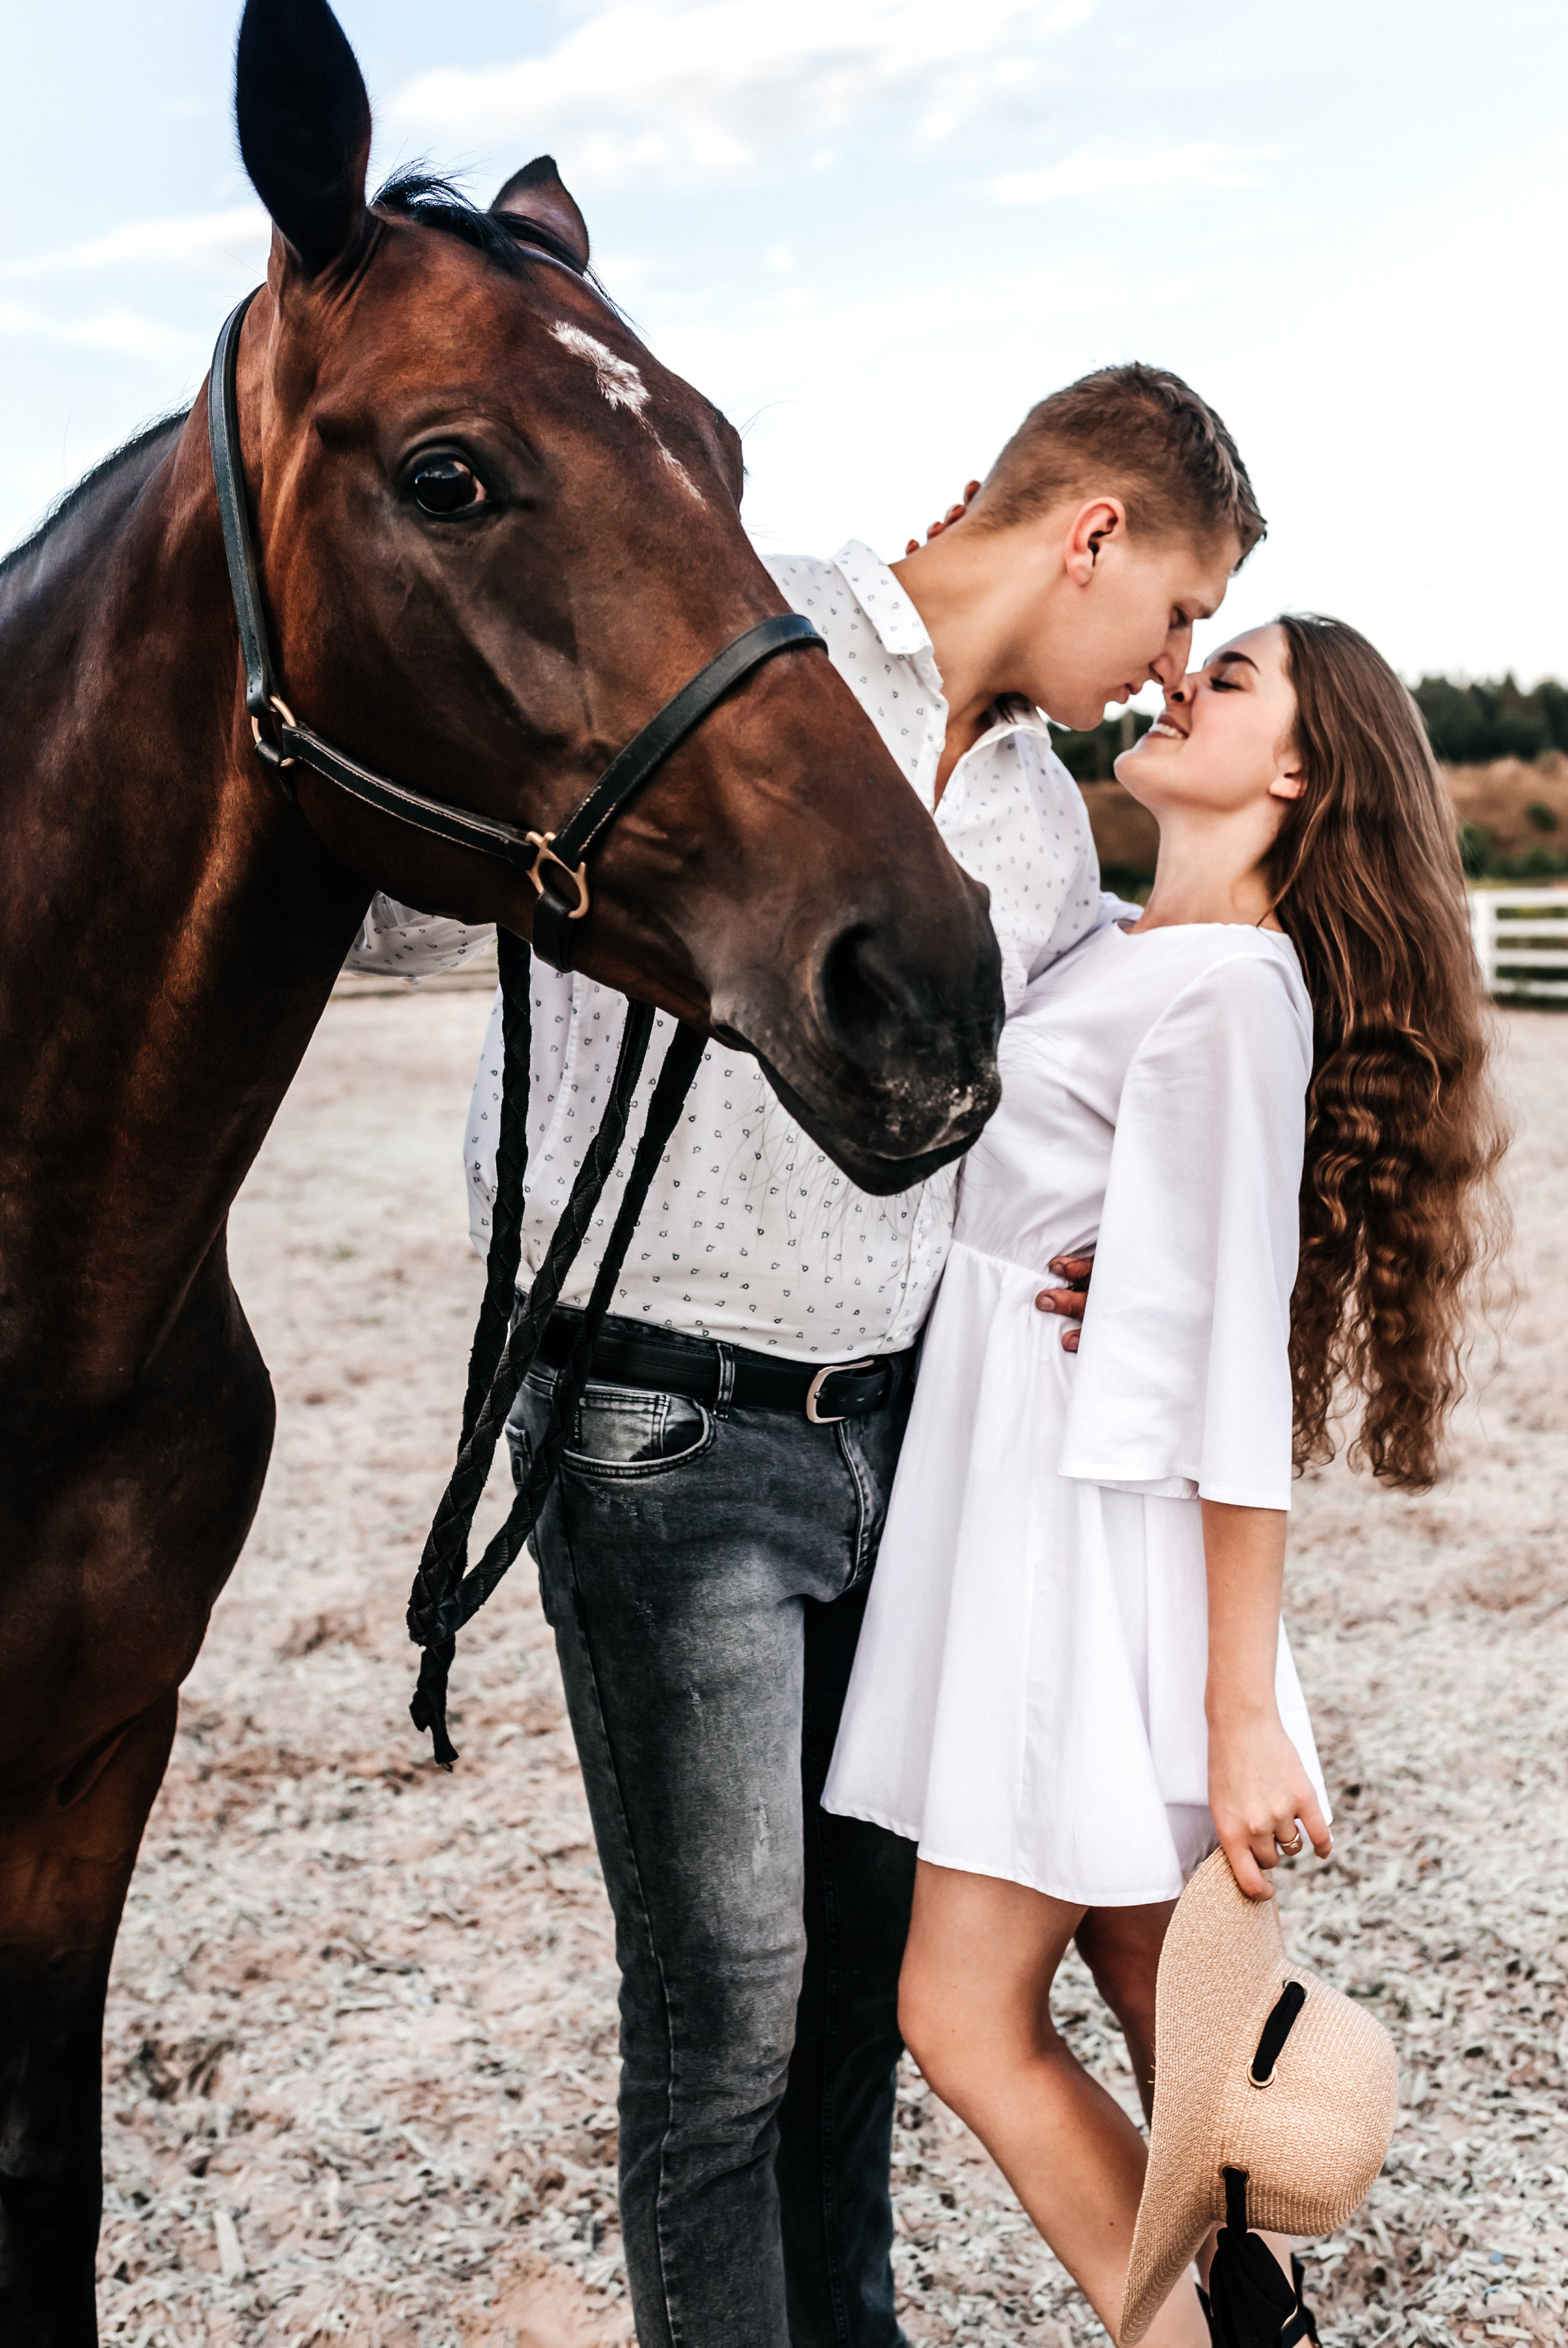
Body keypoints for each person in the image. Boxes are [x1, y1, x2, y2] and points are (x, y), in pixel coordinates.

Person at [348, 362, 1268, 2348]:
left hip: (905, 1443)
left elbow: (1107, 1094)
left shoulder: (1035, 824)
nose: (1171, 668)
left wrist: (1135, 1258)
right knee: (728, 2008)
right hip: (658, 1415)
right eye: (1177, 608)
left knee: (859, 1978)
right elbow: (434, 877)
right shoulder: (726, 623)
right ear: (1091, 534)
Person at [822, 612, 1507, 2344]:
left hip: (1077, 1537)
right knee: (1154, 1977)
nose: (1185, 676)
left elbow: (1225, 1378)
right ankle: (1251, 2309)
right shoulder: (1123, 948)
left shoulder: (1233, 989)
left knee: (962, 2017)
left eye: (1240, 673)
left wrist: (1237, 1708)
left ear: (1295, 768)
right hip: (1023, 1494)